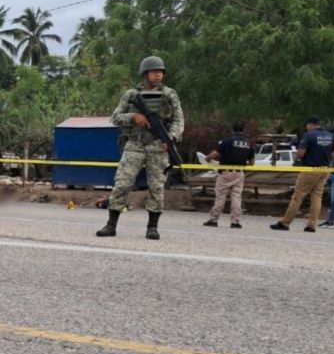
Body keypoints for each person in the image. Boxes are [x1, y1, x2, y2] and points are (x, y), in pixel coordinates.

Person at [96, 56, 184, 240]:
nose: (158, 74)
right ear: (145, 73)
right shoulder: (131, 95)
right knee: (122, 184)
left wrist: (172, 138)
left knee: (157, 187)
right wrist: (134, 117)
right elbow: (115, 117)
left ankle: (152, 227)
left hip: (158, 146)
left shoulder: (169, 94)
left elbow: (178, 120)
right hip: (134, 144)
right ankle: (111, 225)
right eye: (154, 71)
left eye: (161, 71)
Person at [270, 116, 334, 232]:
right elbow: (333, 154)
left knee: (297, 196)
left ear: (310, 124)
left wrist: (298, 153)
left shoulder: (309, 135)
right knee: (317, 197)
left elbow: (301, 154)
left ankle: (285, 223)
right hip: (324, 170)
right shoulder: (329, 136)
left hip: (310, 170)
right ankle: (311, 225)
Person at [203, 121, 255, 229]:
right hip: (239, 173)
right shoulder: (248, 143)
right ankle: (235, 221)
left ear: (233, 130)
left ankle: (214, 219)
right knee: (236, 197)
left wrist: (208, 158)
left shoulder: (226, 141)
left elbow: (216, 154)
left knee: (221, 195)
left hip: (226, 172)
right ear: (243, 130)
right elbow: (252, 162)